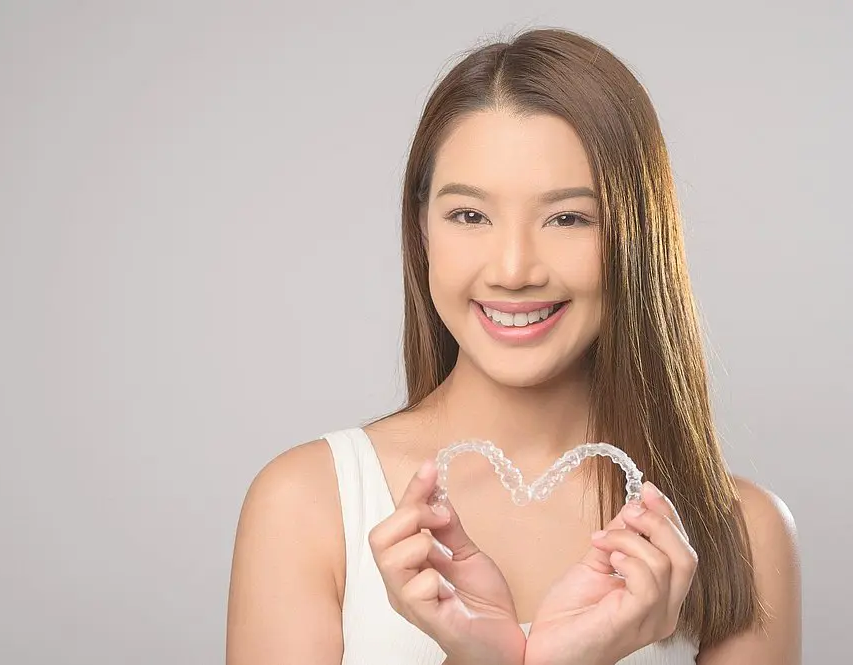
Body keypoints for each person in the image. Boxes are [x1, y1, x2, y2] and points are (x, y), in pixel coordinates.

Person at [225, 27, 801, 665]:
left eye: (569, 218)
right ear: (421, 231)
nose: (514, 268)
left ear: (639, 238)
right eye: (469, 215)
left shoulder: (743, 533)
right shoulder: (307, 504)